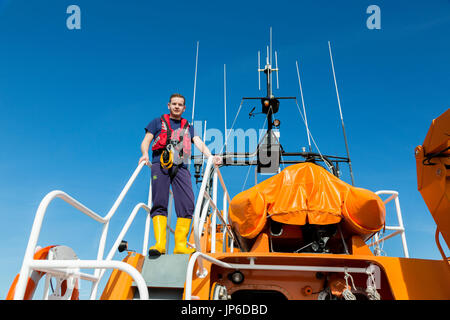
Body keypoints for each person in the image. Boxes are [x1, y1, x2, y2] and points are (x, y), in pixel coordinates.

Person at [139, 93, 222, 257]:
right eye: (174, 104)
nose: (177, 106)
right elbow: (146, 140)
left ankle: (180, 244)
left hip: (181, 167)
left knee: (187, 202)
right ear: (168, 105)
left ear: (184, 108)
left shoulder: (188, 127)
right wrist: (144, 154)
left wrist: (210, 156)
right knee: (159, 201)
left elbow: (198, 142)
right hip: (159, 165)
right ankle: (160, 243)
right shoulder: (157, 122)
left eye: (180, 104)